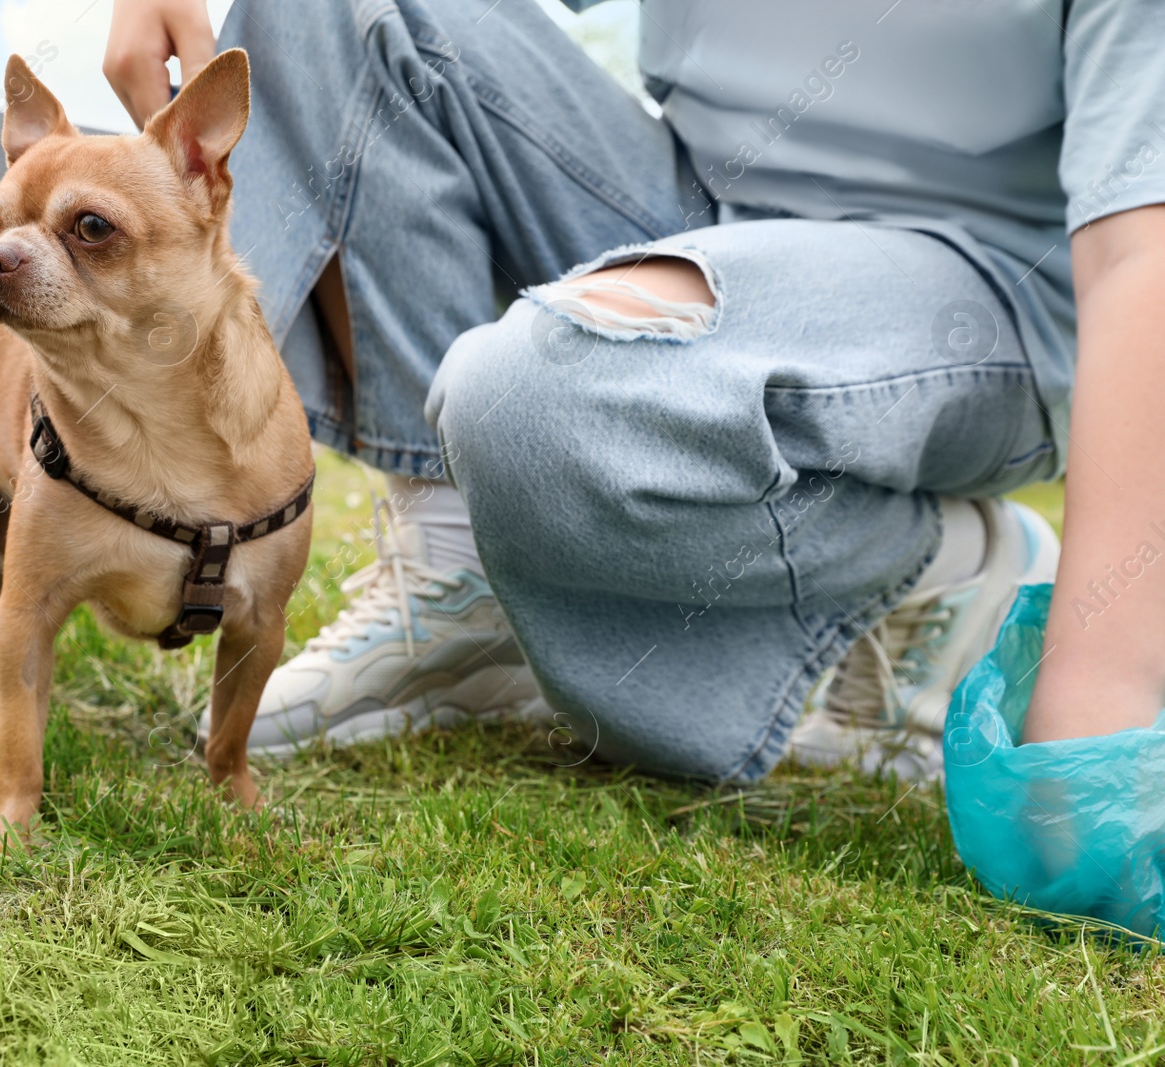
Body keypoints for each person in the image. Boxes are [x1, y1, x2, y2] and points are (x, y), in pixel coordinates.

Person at [103, 0, 1165, 779]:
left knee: (525, 404)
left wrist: (1097, 694)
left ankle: (928, 568)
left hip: (978, 295)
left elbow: (1137, 263)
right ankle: (460, 565)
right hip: (696, 206)